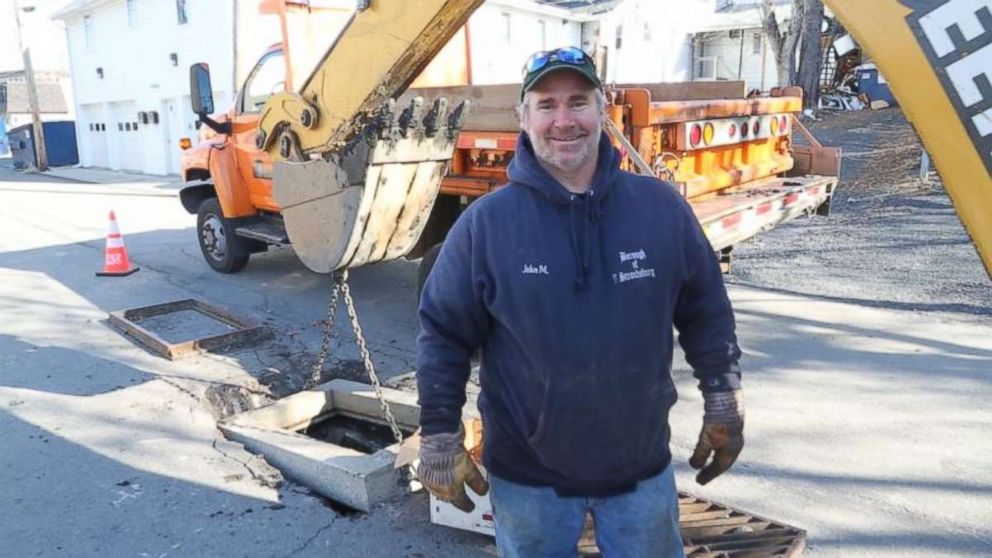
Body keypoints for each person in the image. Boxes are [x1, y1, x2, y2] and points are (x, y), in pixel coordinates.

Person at [415, 46, 745, 557]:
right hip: (528, 479)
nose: (563, 120)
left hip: (640, 471)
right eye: (546, 105)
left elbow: (707, 312)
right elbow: (443, 333)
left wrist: (723, 400)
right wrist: (439, 434)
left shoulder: (659, 209)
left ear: (603, 110)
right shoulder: (487, 224)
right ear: (522, 117)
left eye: (578, 102)